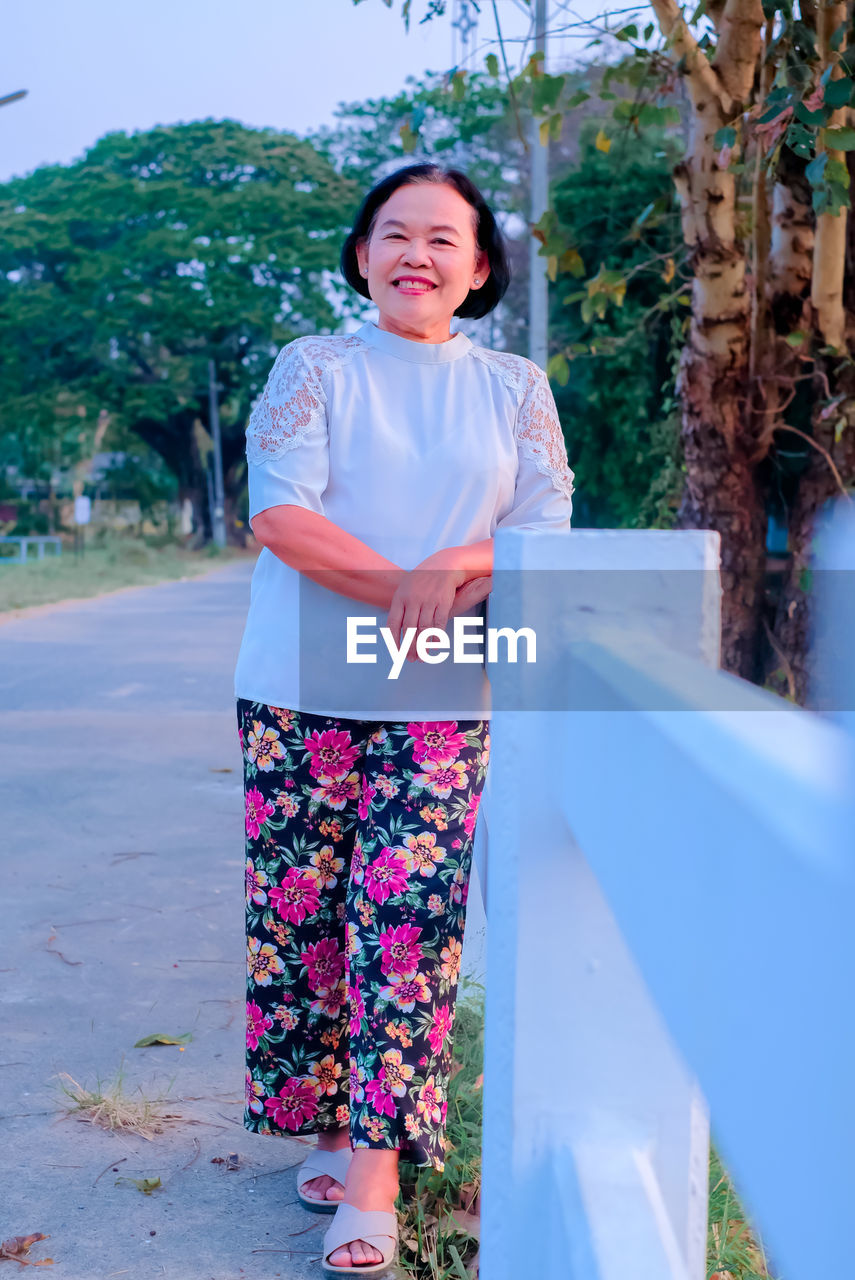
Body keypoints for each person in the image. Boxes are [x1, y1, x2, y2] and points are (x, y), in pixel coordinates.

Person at [234, 161, 575, 1274]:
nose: (415, 254)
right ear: (363, 255)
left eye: (442, 238)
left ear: (479, 268)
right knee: (307, 923)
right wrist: (406, 591)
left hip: (441, 695)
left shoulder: (516, 385)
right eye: (394, 234)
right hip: (300, 686)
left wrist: (454, 564)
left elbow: (540, 528)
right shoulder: (315, 366)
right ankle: (329, 1123)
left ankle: (374, 1171)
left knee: (407, 924)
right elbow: (282, 515)